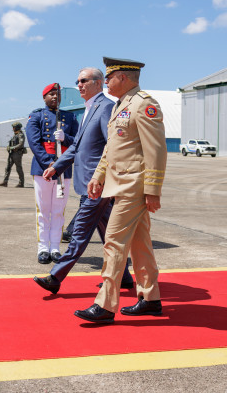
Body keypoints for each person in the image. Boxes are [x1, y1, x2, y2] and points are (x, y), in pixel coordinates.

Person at [74, 57, 167, 324]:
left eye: (109, 77)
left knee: (113, 242)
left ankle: (104, 305)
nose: (106, 82)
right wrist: (99, 175)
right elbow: (112, 147)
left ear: (122, 77)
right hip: (121, 184)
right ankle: (150, 298)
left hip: (134, 186)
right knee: (140, 244)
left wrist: (153, 190)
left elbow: (156, 150)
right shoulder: (121, 105)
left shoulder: (143, 104)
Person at [34, 67, 134, 294]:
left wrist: (102, 177)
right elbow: (76, 147)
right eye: (78, 81)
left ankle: (55, 277)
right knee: (107, 232)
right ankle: (124, 277)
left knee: (79, 232)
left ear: (98, 83)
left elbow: (113, 146)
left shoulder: (106, 107)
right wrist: (56, 167)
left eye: (84, 80)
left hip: (97, 184)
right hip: (90, 183)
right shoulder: (89, 109)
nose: (79, 85)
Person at [25, 83, 79, 264]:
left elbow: (77, 142)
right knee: (43, 210)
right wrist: (50, 164)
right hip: (43, 169)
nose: (55, 97)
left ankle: (55, 247)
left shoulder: (70, 117)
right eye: (52, 94)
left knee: (58, 211)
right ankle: (42, 248)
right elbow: (34, 143)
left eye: (58, 94)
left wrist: (66, 137)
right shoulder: (36, 116)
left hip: (63, 170)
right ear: (44, 97)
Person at [0, 122, 26, 187]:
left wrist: (12, 148)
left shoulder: (20, 135)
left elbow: (21, 144)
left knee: (18, 168)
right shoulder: (15, 135)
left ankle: (21, 183)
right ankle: (5, 182)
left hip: (17, 154)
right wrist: (9, 147)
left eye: (14, 127)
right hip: (12, 153)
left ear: (17, 127)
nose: (13, 128)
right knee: (7, 168)